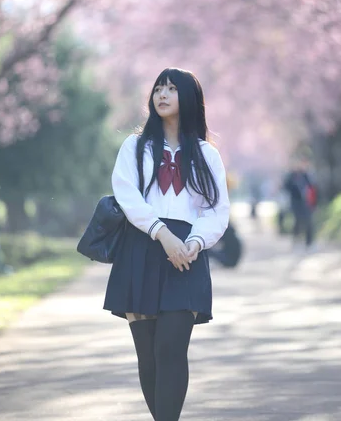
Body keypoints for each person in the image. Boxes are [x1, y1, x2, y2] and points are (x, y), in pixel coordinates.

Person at [103, 67, 230, 421]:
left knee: (171, 349)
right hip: (142, 250)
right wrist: (162, 233)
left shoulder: (207, 155)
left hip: (186, 257)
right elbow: (128, 197)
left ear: (187, 98)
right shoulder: (134, 147)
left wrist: (195, 241)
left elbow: (217, 211)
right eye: (158, 88)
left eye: (171, 89)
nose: (162, 94)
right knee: (149, 356)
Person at [284, 158, 317, 248]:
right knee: (297, 221)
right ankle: (296, 240)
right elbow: (286, 186)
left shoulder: (306, 175)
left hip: (307, 201)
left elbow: (313, 187)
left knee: (308, 221)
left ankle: (309, 242)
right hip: (296, 202)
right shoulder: (291, 176)